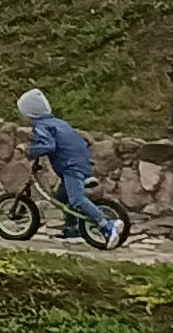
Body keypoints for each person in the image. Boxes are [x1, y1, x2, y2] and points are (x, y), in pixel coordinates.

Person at [16, 90, 113, 241]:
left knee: (77, 199)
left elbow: (48, 146)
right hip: (82, 161)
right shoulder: (59, 123)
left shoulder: (42, 125)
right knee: (63, 195)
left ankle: (106, 224)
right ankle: (72, 230)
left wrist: (29, 150)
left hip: (71, 166)